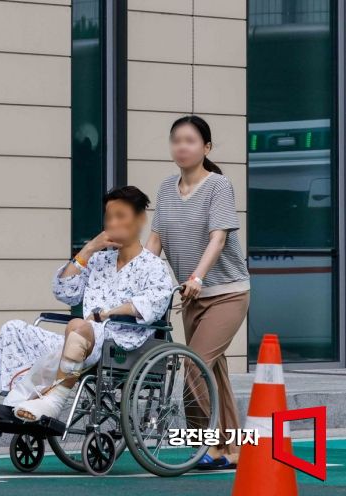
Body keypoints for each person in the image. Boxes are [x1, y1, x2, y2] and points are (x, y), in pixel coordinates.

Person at [0, 186, 173, 421]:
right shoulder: (98, 259)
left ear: (141, 218)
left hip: (120, 345)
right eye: (109, 217)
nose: (113, 223)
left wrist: (106, 314)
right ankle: (16, 403)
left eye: (121, 216)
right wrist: (89, 249)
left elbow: (151, 304)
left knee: (79, 325)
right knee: (13, 329)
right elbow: (65, 291)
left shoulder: (154, 266)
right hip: (83, 338)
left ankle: (53, 401)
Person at [147, 115, 250, 470]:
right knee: (214, 373)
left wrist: (197, 276)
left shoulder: (218, 185)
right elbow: (155, 240)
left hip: (227, 293)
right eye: (176, 140)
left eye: (190, 141)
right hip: (192, 297)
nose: (182, 147)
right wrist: (136, 275)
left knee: (194, 364)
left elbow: (218, 237)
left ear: (205, 148)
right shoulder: (165, 188)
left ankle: (208, 446)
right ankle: (233, 449)